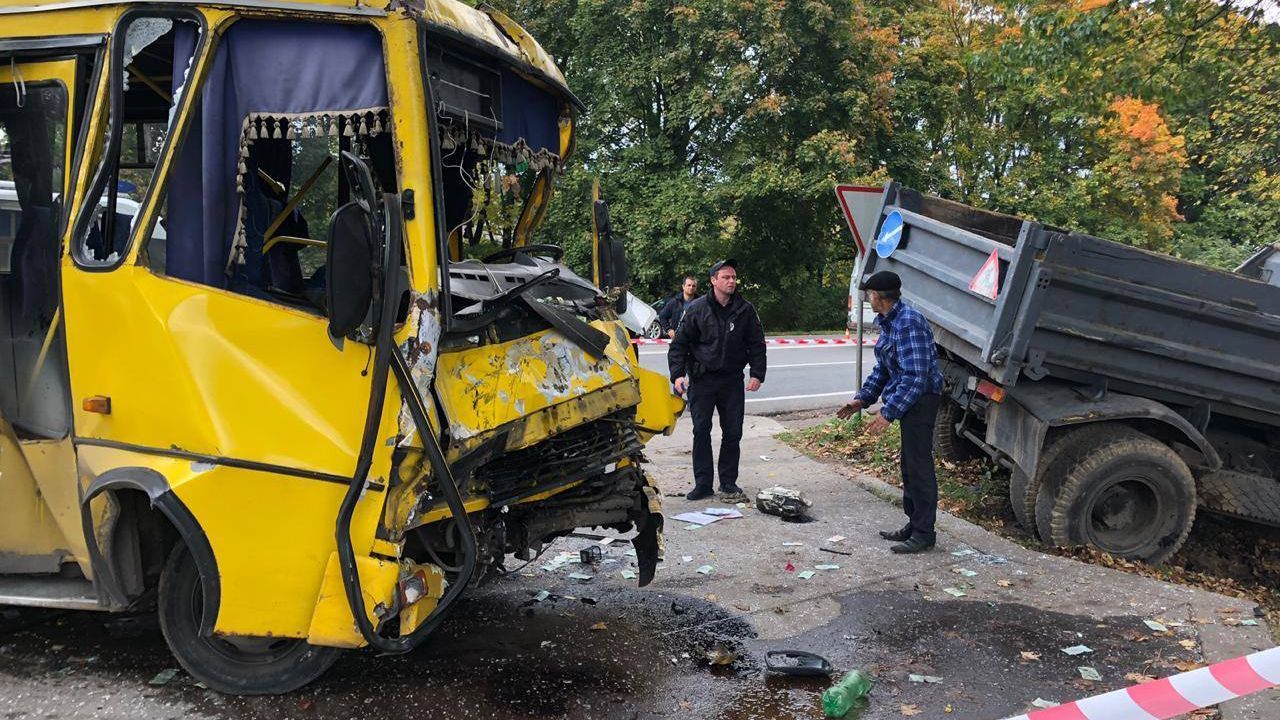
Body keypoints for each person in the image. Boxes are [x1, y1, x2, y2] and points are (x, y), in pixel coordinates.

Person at [837, 270, 944, 553]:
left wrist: (888, 412)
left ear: (877, 296)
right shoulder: (890, 321)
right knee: (909, 466)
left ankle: (924, 533)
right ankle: (915, 523)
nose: (868, 299)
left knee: (919, 467)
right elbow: (884, 368)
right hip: (908, 398)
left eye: (869, 294)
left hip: (921, 400)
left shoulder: (909, 322)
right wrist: (862, 399)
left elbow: (916, 376)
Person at [668, 260, 766, 501]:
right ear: (714, 281)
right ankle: (703, 484)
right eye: (726, 277)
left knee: (733, 432)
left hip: (731, 380)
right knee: (701, 431)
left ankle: (728, 483)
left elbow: (756, 343)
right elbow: (679, 345)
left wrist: (757, 373)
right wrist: (678, 375)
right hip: (702, 380)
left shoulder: (745, 309)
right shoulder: (697, 309)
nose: (731, 281)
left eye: (734, 277)